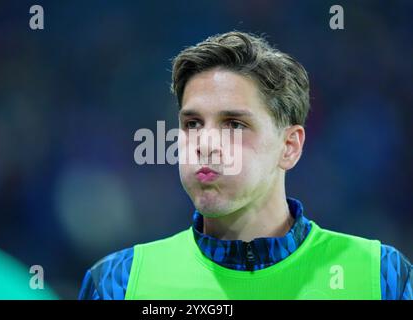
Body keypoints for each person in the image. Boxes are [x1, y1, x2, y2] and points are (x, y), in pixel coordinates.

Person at [78, 31, 411, 300]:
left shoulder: (380, 276)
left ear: (289, 146)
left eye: (234, 124)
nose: (205, 143)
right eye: (192, 123)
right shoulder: (118, 283)